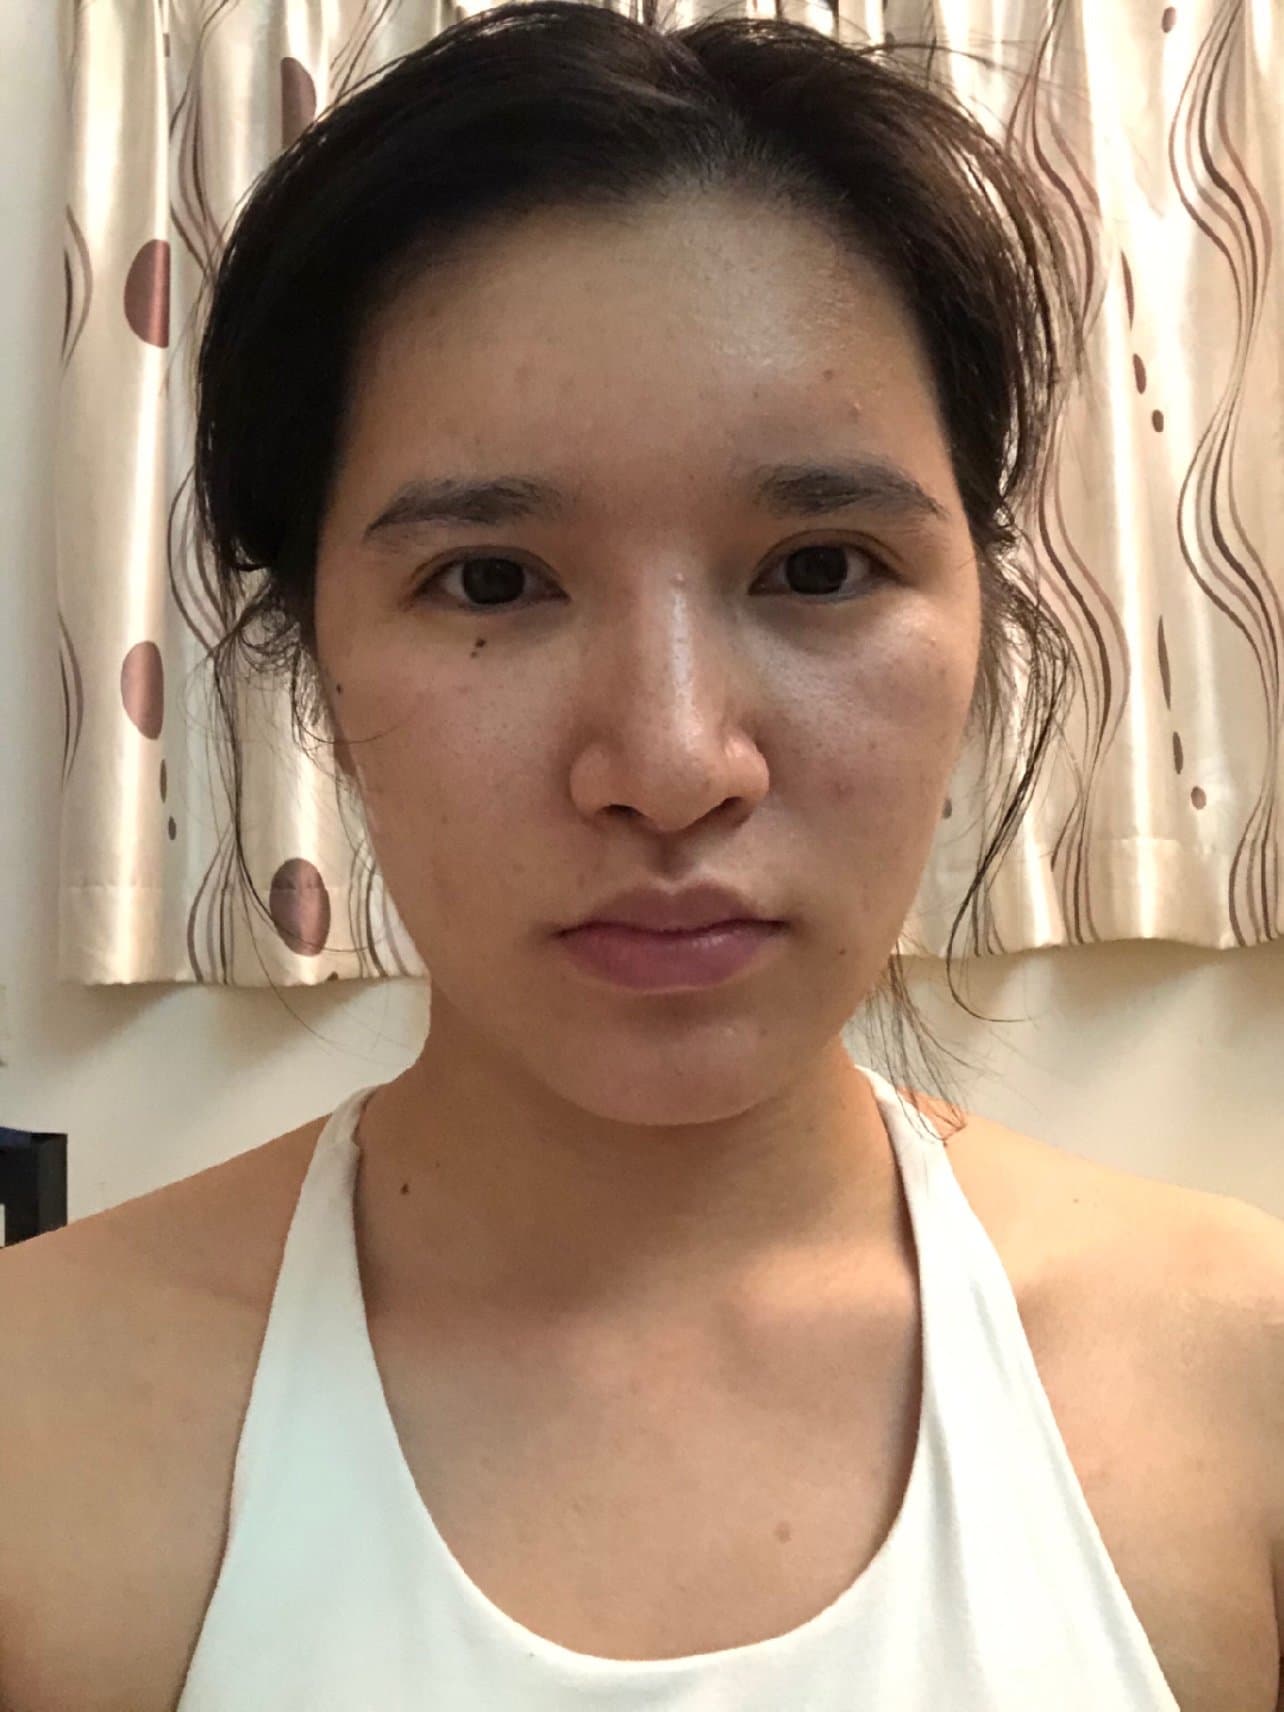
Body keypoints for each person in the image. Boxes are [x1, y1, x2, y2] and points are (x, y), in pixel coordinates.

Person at [1, 5, 1279, 1710]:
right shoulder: (42, 1428)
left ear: (984, 616)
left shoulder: (1239, 1374)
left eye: (819, 567)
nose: (672, 766)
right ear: (308, 653)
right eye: (491, 582)